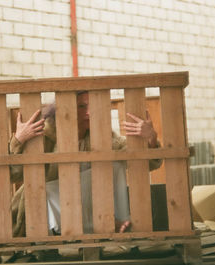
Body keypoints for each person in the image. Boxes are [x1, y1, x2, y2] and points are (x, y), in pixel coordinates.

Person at [9, 92, 161, 237]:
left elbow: (144, 163)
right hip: (50, 209)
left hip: (90, 208)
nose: (89, 112)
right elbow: (13, 174)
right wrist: (19, 140)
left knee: (117, 163)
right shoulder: (45, 136)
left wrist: (151, 138)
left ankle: (114, 222)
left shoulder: (101, 137)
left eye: (92, 106)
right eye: (82, 106)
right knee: (45, 190)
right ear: (64, 109)